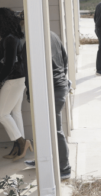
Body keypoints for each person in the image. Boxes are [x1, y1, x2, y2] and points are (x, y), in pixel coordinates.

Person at [22, 31, 72, 179]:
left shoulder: (30, 42)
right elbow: (65, 59)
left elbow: (28, 71)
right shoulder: (53, 35)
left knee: (55, 130)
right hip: (58, 86)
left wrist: (30, 94)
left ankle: (65, 168)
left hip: (51, 89)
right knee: (43, 128)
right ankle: (43, 160)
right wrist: (63, 79)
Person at [0, 8, 32, 160]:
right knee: (15, 113)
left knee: (1, 114)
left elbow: (9, 65)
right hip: (18, 79)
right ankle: (18, 148)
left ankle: (22, 142)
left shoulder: (10, 39)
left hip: (13, 80)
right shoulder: (11, 37)